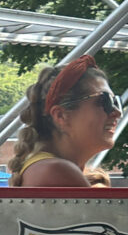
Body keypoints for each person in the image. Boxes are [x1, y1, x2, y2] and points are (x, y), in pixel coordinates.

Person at [8, 54, 122, 188]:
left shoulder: (44, 167)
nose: (117, 113)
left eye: (115, 102)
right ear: (61, 116)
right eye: (105, 101)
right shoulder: (55, 171)